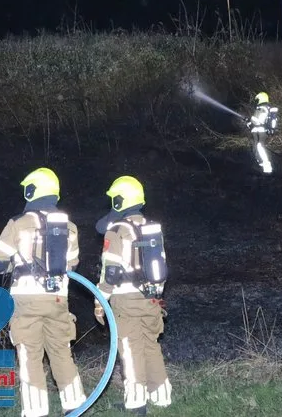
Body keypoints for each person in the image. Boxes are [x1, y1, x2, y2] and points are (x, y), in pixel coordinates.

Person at [0, 167, 86, 417]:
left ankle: (36, 411)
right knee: (61, 350)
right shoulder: (70, 227)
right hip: (57, 298)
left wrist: (13, 264)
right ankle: (75, 405)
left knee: (29, 353)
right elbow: (73, 264)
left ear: (32, 191)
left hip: (26, 300)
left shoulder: (19, 223)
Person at [94, 176, 171, 416]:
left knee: (130, 348)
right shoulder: (152, 228)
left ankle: (136, 402)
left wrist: (99, 301)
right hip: (152, 298)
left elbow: (111, 272)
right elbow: (162, 267)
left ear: (120, 199)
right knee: (150, 345)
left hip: (125, 300)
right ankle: (161, 396)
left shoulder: (117, 230)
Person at [245, 92, 278, 174]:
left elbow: (259, 120)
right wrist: (248, 122)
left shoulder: (264, 108)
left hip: (261, 130)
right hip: (256, 130)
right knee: (255, 148)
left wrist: (251, 119)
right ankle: (262, 165)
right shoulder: (259, 108)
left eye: (258, 99)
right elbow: (254, 123)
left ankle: (267, 165)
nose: (257, 101)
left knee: (260, 146)